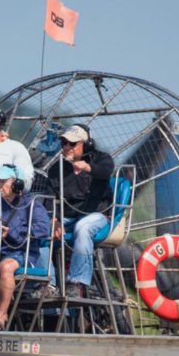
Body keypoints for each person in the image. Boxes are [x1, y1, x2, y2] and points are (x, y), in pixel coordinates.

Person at [0, 164, 52, 331]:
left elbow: (43, 229)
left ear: (16, 184)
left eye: (2, 181)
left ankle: (1, 317)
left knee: (6, 267)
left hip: (23, 253)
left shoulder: (32, 204)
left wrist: (11, 231)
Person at [48, 124, 114, 297]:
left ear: (86, 144)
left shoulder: (101, 159)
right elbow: (49, 199)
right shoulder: (56, 169)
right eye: (64, 143)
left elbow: (107, 172)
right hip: (67, 218)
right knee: (41, 230)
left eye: (72, 143)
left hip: (96, 215)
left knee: (83, 227)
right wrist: (54, 220)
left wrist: (87, 167)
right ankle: (46, 285)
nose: (67, 147)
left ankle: (77, 284)